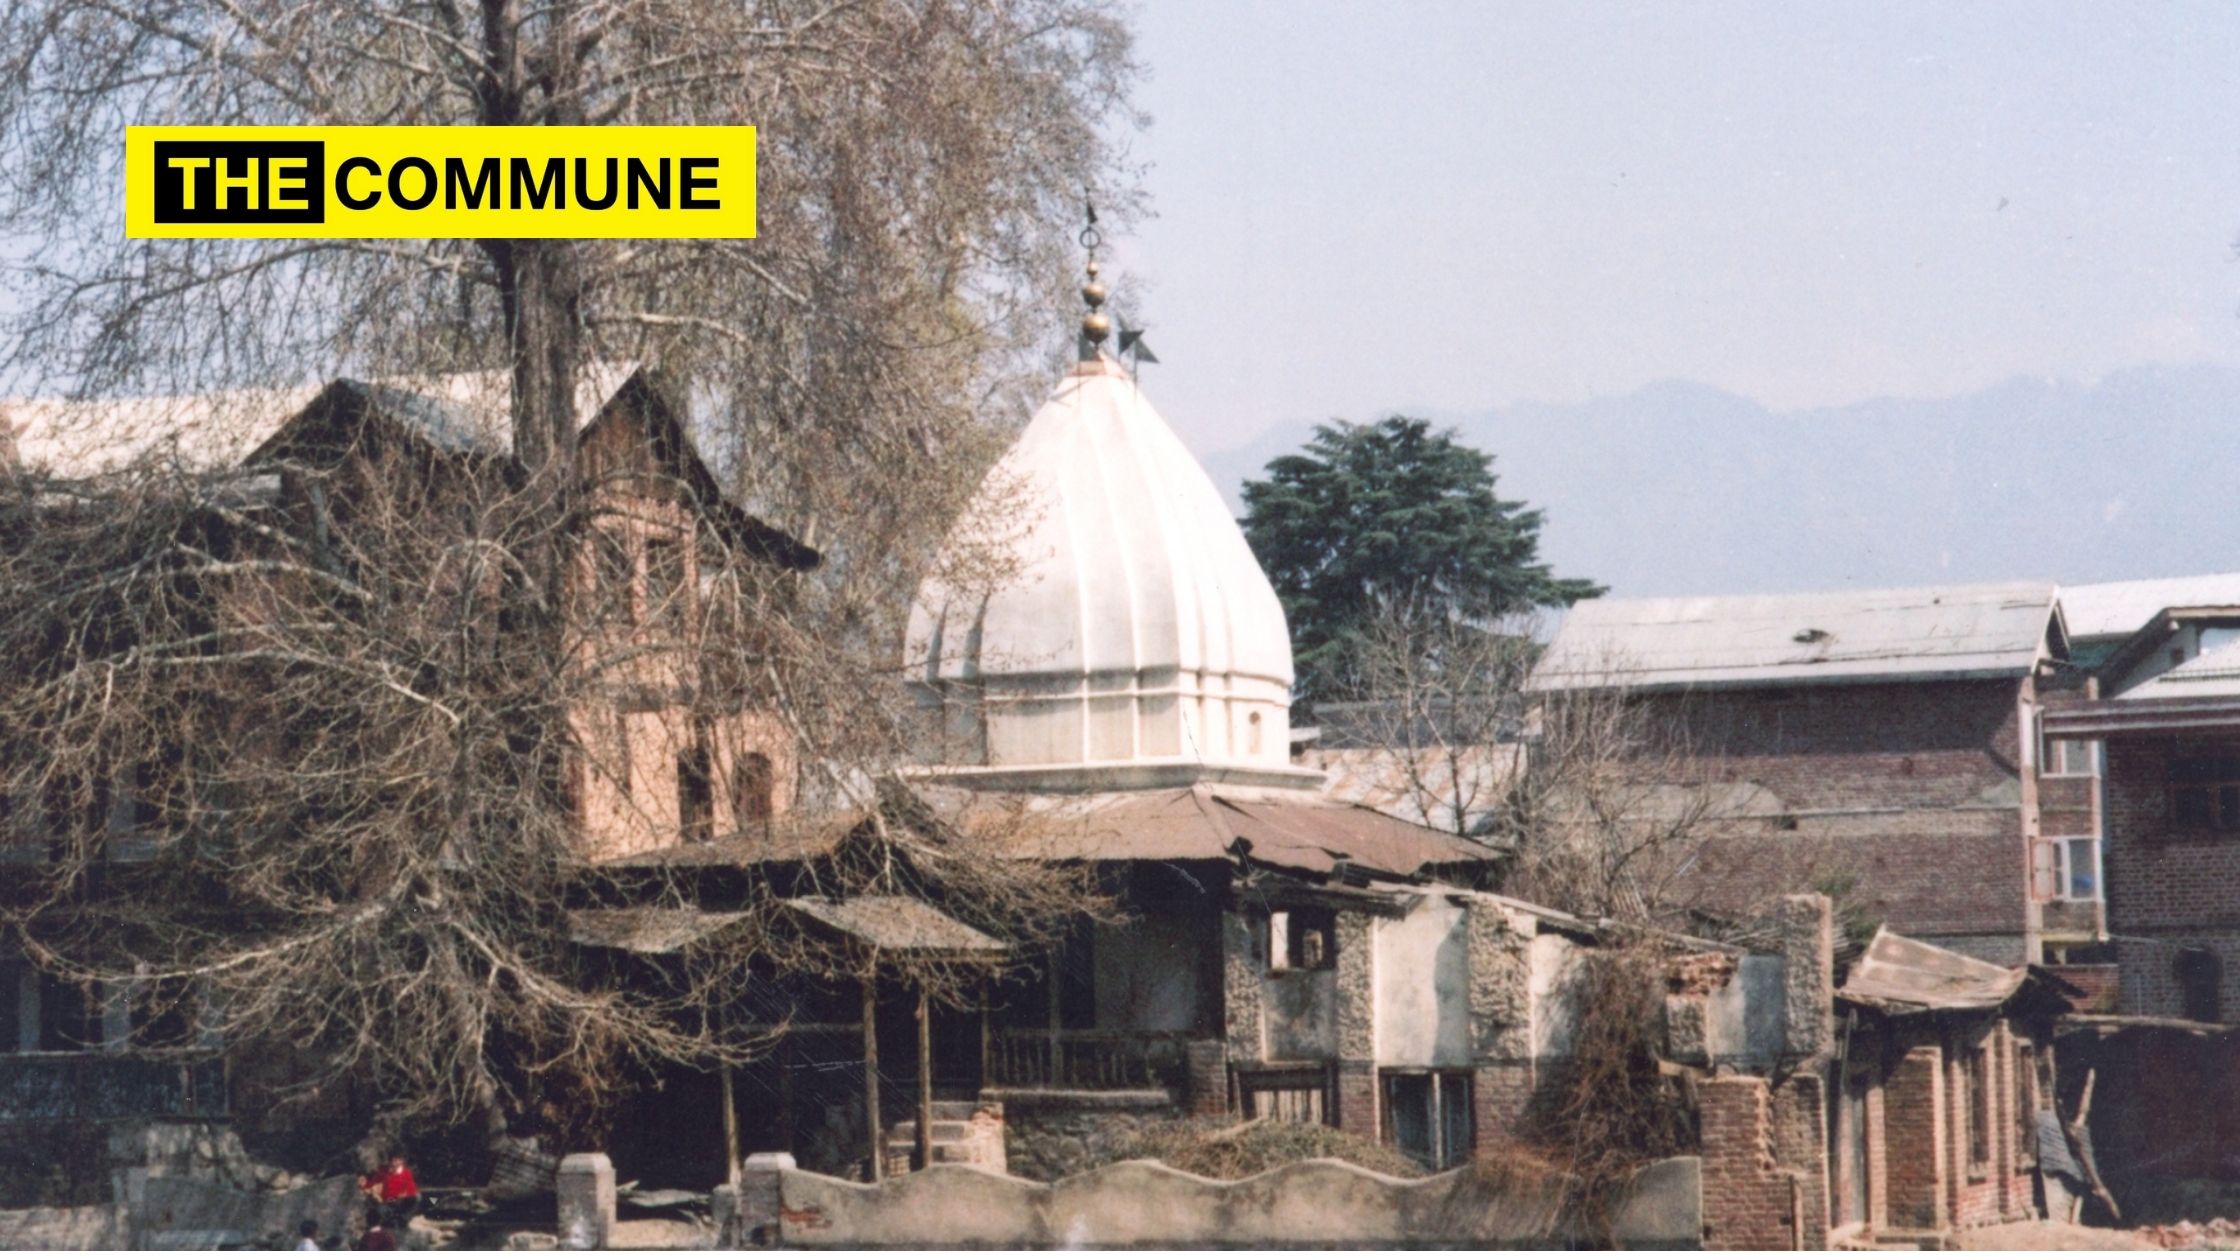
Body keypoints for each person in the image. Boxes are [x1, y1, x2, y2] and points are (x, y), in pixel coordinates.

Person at [359, 1153, 420, 1230]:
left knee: (415, 1198)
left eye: (395, 1160)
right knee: (379, 1211)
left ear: (401, 1162)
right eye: (391, 1160)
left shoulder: (406, 1173)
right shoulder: (384, 1171)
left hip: (401, 1203)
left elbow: (412, 1189)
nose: (392, 1163)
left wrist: (405, 1195)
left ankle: (402, 1220)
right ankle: (388, 1222)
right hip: (387, 1203)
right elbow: (372, 1181)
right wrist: (364, 1184)